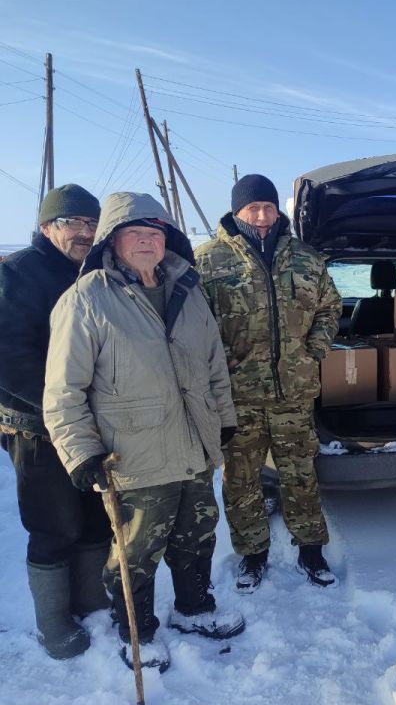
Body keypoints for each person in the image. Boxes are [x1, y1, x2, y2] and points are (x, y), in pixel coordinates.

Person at [44, 192, 244, 673]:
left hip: (195, 446)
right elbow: (63, 391)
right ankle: (138, 632)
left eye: (155, 233)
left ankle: (194, 609)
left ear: (167, 240)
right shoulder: (87, 298)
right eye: (135, 233)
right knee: (136, 551)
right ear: (113, 240)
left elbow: (214, 366)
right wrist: (81, 454)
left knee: (197, 535)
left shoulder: (188, 291)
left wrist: (225, 418)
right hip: (133, 454)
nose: (146, 242)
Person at [195, 174, 342, 592]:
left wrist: (313, 350)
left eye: (269, 207)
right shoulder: (208, 261)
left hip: (293, 393)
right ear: (237, 211)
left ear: (279, 211)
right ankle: (252, 555)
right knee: (241, 480)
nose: (261, 216)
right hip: (236, 397)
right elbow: (193, 326)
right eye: (252, 208)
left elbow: (330, 307)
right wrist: (217, 367)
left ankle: (311, 551)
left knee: (300, 475)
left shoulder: (306, 259)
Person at [0, 185, 112, 659]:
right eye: (73, 223)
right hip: (36, 426)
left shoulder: (93, 272)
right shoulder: (19, 273)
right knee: (54, 523)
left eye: (92, 223)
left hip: (90, 422)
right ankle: (53, 623)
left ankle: (89, 600)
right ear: (48, 227)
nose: (85, 232)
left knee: (93, 515)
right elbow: (9, 357)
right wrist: (61, 406)